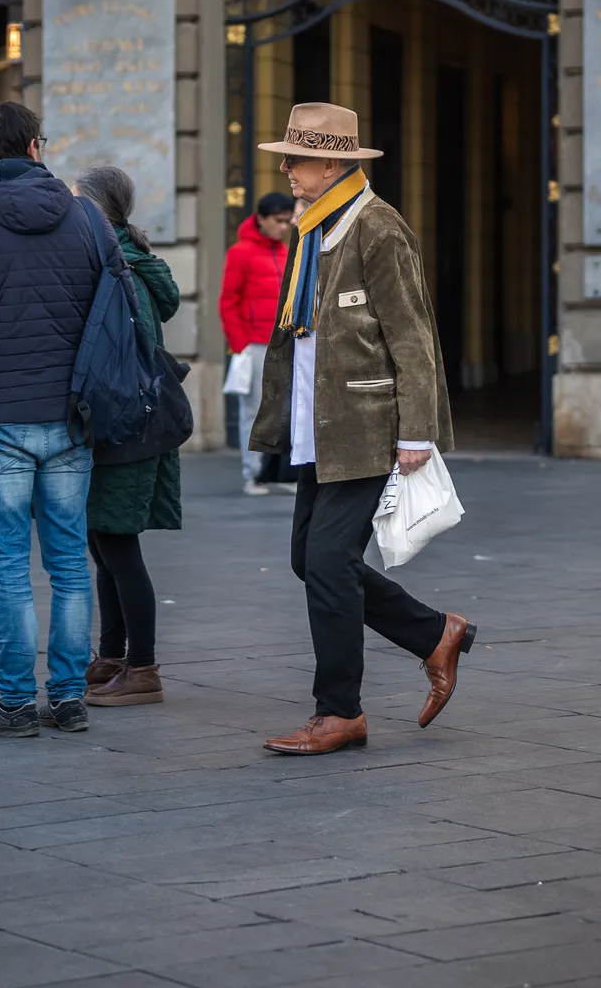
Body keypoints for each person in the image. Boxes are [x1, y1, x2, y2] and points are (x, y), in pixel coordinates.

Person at [250, 102, 476, 756]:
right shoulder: (313, 229)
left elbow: (413, 334)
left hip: (367, 425)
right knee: (311, 559)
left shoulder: (377, 228)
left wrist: (417, 432)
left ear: (334, 162)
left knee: (326, 559)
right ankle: (436, 633)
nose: (286, 169)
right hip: (315, 426)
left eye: (297, 158)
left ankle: (340, 711)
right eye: (286, 157)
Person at [0, 101, 120, 738]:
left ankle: (13, 702)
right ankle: (67, 698)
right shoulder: (88, 218)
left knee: (7, 564)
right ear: (36, 146)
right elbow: (117, 310)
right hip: (70, 416)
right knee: (68, 562)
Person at [72, 165, 181, 708]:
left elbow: (117, 359)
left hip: (125, 427)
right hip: (119, 425)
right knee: (103, 542)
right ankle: (113, 655)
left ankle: (143, 667)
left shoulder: (116, 267)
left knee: (118, 544)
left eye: (75, 199)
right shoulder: (114, 259)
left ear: (94, 207)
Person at [219, 191, 293, 495]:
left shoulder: (286, 252)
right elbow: (228, 302)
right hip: (255, 345)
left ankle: (280, 473)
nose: (285, 226)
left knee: (288, 410)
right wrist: (241, 346)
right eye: (279, 221)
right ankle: (253, 474)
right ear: (261, 219)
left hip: (286, 344)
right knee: (254, 411)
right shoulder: (240, 253)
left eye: (288, 221)